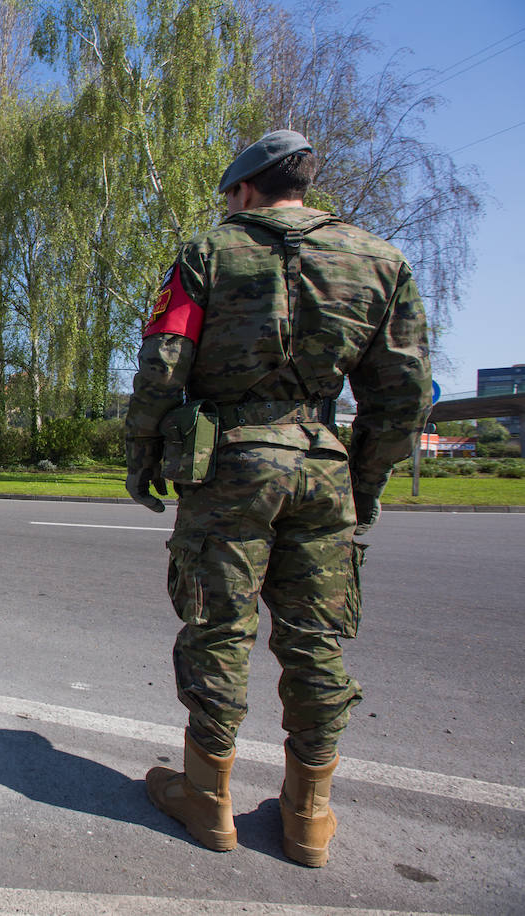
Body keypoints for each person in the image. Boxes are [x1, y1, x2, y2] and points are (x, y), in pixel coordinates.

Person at [123, 130, 432, 866]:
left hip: (229, 468)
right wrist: (363, 482)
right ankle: (308, 817)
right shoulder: (380, 262)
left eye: (229, 196)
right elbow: (404, 394)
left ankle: (207, 800)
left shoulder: (208, 254)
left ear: (245, 189)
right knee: (315, 640)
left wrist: (141, 453)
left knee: (218, 630)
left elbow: (166, 360)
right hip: (324, 468)